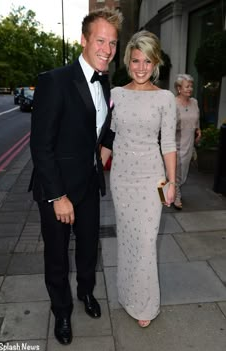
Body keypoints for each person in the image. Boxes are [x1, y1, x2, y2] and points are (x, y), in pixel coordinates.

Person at [28, 8, 123, 345]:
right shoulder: (54, 81)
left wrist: (102, 152)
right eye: (100, 40)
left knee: (87, 249)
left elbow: (104, 126)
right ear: (83, 40)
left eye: (112, 43)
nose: (107, 49)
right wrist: (58, 196)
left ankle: (85, 293)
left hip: (88, 183)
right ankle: (62, 310)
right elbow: (41, 146)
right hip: (57, 189)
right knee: (56, 256)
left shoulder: (105, 80)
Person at [101, 31, 176, 327]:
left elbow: (168, 144)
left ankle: (145, 305)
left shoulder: (165, 98)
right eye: (136, 60)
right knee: (129, 239)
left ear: (155, 62)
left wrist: (172, 184)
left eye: (147, 61)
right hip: (121, 179)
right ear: (128, 61)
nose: (141, 67)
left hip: (154, 180)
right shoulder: (116, 95)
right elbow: (108, 139)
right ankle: (129, 294)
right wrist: (93, 170)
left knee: (146, 241)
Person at [174, 74, 201, 209]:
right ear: (179, 88)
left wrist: (198, 130)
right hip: (176, 143)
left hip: (189, 144)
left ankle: (172, 189)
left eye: (191, 86)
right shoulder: (173, 103)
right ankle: (176, 196)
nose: (190, 89)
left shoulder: (194, 102)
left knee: (183, 172)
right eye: (187, 86)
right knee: (177, 171)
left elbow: (196, 117)